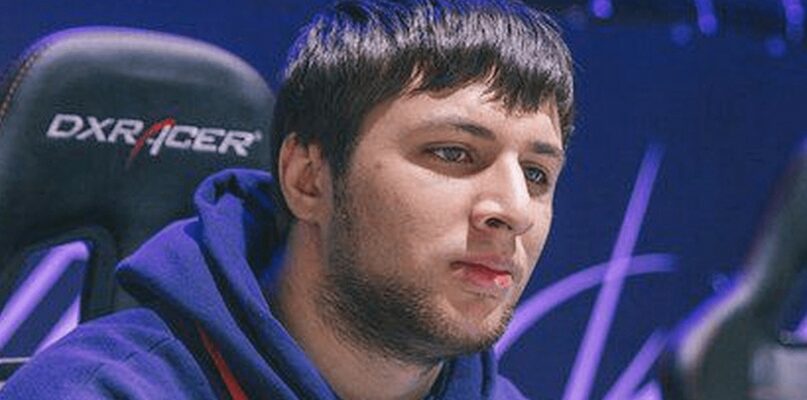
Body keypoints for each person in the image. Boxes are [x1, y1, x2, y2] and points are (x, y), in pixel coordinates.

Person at [0, 0, 573, 398]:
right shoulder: (96, 390)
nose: (514, 210)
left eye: (537, 174)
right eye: (452, 153)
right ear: (308, 179)